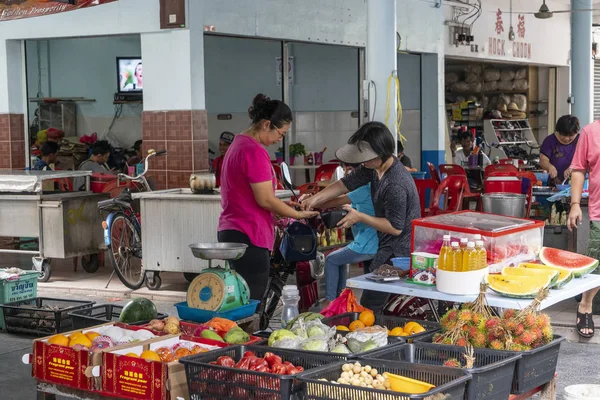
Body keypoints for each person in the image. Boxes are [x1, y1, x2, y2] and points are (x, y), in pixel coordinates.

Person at [302, 121, 421, 313]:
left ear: (381, 153)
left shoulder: (395, 184)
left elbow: (395, 227)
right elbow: (345, 183)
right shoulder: (374, 168)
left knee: (372, 305)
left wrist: (359, 217)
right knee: (373, 302)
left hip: (398, 254)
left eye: (365, 157)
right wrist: (315, 199)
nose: (361, 162)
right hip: (383, 247)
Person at [218, 94, 319, 300]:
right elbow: (265, 200)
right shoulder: (253, 151)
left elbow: (250, 196)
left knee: (238, 298)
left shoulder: (238, 144)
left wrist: (283, 205)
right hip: (248, 233)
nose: (279, 140)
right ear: (266, 124)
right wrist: (296, 215)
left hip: (233, 230)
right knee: (251, 300)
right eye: (280, 134)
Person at [307, 163, 378, 307]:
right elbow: (352, 204)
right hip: (371, 240)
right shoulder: (370, 188)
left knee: (332, 259)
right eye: (344, 170)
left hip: (367, 243)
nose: (346, 173)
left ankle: (330, 301)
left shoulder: (363, 189)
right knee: (339, 260)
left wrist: (311, 202)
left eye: (350, 170)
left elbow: (336, 200)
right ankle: (341, 299)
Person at [567, 119, 600, 338]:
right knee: (596, 258)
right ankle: (585, 305)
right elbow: (578, 169)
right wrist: (575, 204)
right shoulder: (590, 132)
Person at [539, 115, 580, 184]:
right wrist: (550, 167)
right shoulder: (550, 140)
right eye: (563, 135)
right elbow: (543, 160)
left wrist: (574, 167)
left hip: (579, 184)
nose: (566, 139)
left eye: (570, 136)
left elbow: (590, 162)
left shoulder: (582, 140)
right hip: (555, 184)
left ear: (576, 132)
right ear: (558, 131)